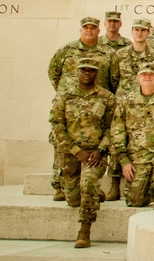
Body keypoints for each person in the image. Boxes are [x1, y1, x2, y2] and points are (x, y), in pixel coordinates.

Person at [49, 58, 116, 248]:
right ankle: (96, 194)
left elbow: (112, 127)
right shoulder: (65, 96)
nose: (87, 73)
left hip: (95, 154)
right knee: (73, 199)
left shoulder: (106, 97)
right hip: (70, 153)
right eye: (83, 70)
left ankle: (84, 230)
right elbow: (56, 125)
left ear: (96, 73)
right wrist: (75, 150)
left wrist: (101, 149)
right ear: (77, 72)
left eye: (91, 71)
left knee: (87, 182)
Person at [47, 16, 115, 200]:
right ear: (81, 30)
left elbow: (113, 78)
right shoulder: (66, 50)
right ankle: (59, 185)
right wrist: (69, 95)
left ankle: (90, 187)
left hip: (97, 104)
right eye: (86, 28)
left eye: (93, 28)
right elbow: (53, 73)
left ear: (99, 31)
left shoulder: (107, 53)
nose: (90, 30)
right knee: (60, 144)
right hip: (70, 104)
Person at [110, 64, 154, 209]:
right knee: (134, 201)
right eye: (144, 74)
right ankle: (153, 188)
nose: (148, 77)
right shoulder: (126, 101)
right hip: (138, 155)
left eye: (152, 74)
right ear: (138, 78)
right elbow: (117, 131)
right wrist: (124, 161)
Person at [111, 18, 154, 99]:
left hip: (146, 101)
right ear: (132, 32)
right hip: (123, 101)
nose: (139, 33)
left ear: (149, 33)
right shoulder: (120, 54)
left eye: (143, 30)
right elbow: (113, 80)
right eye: (136, 29)